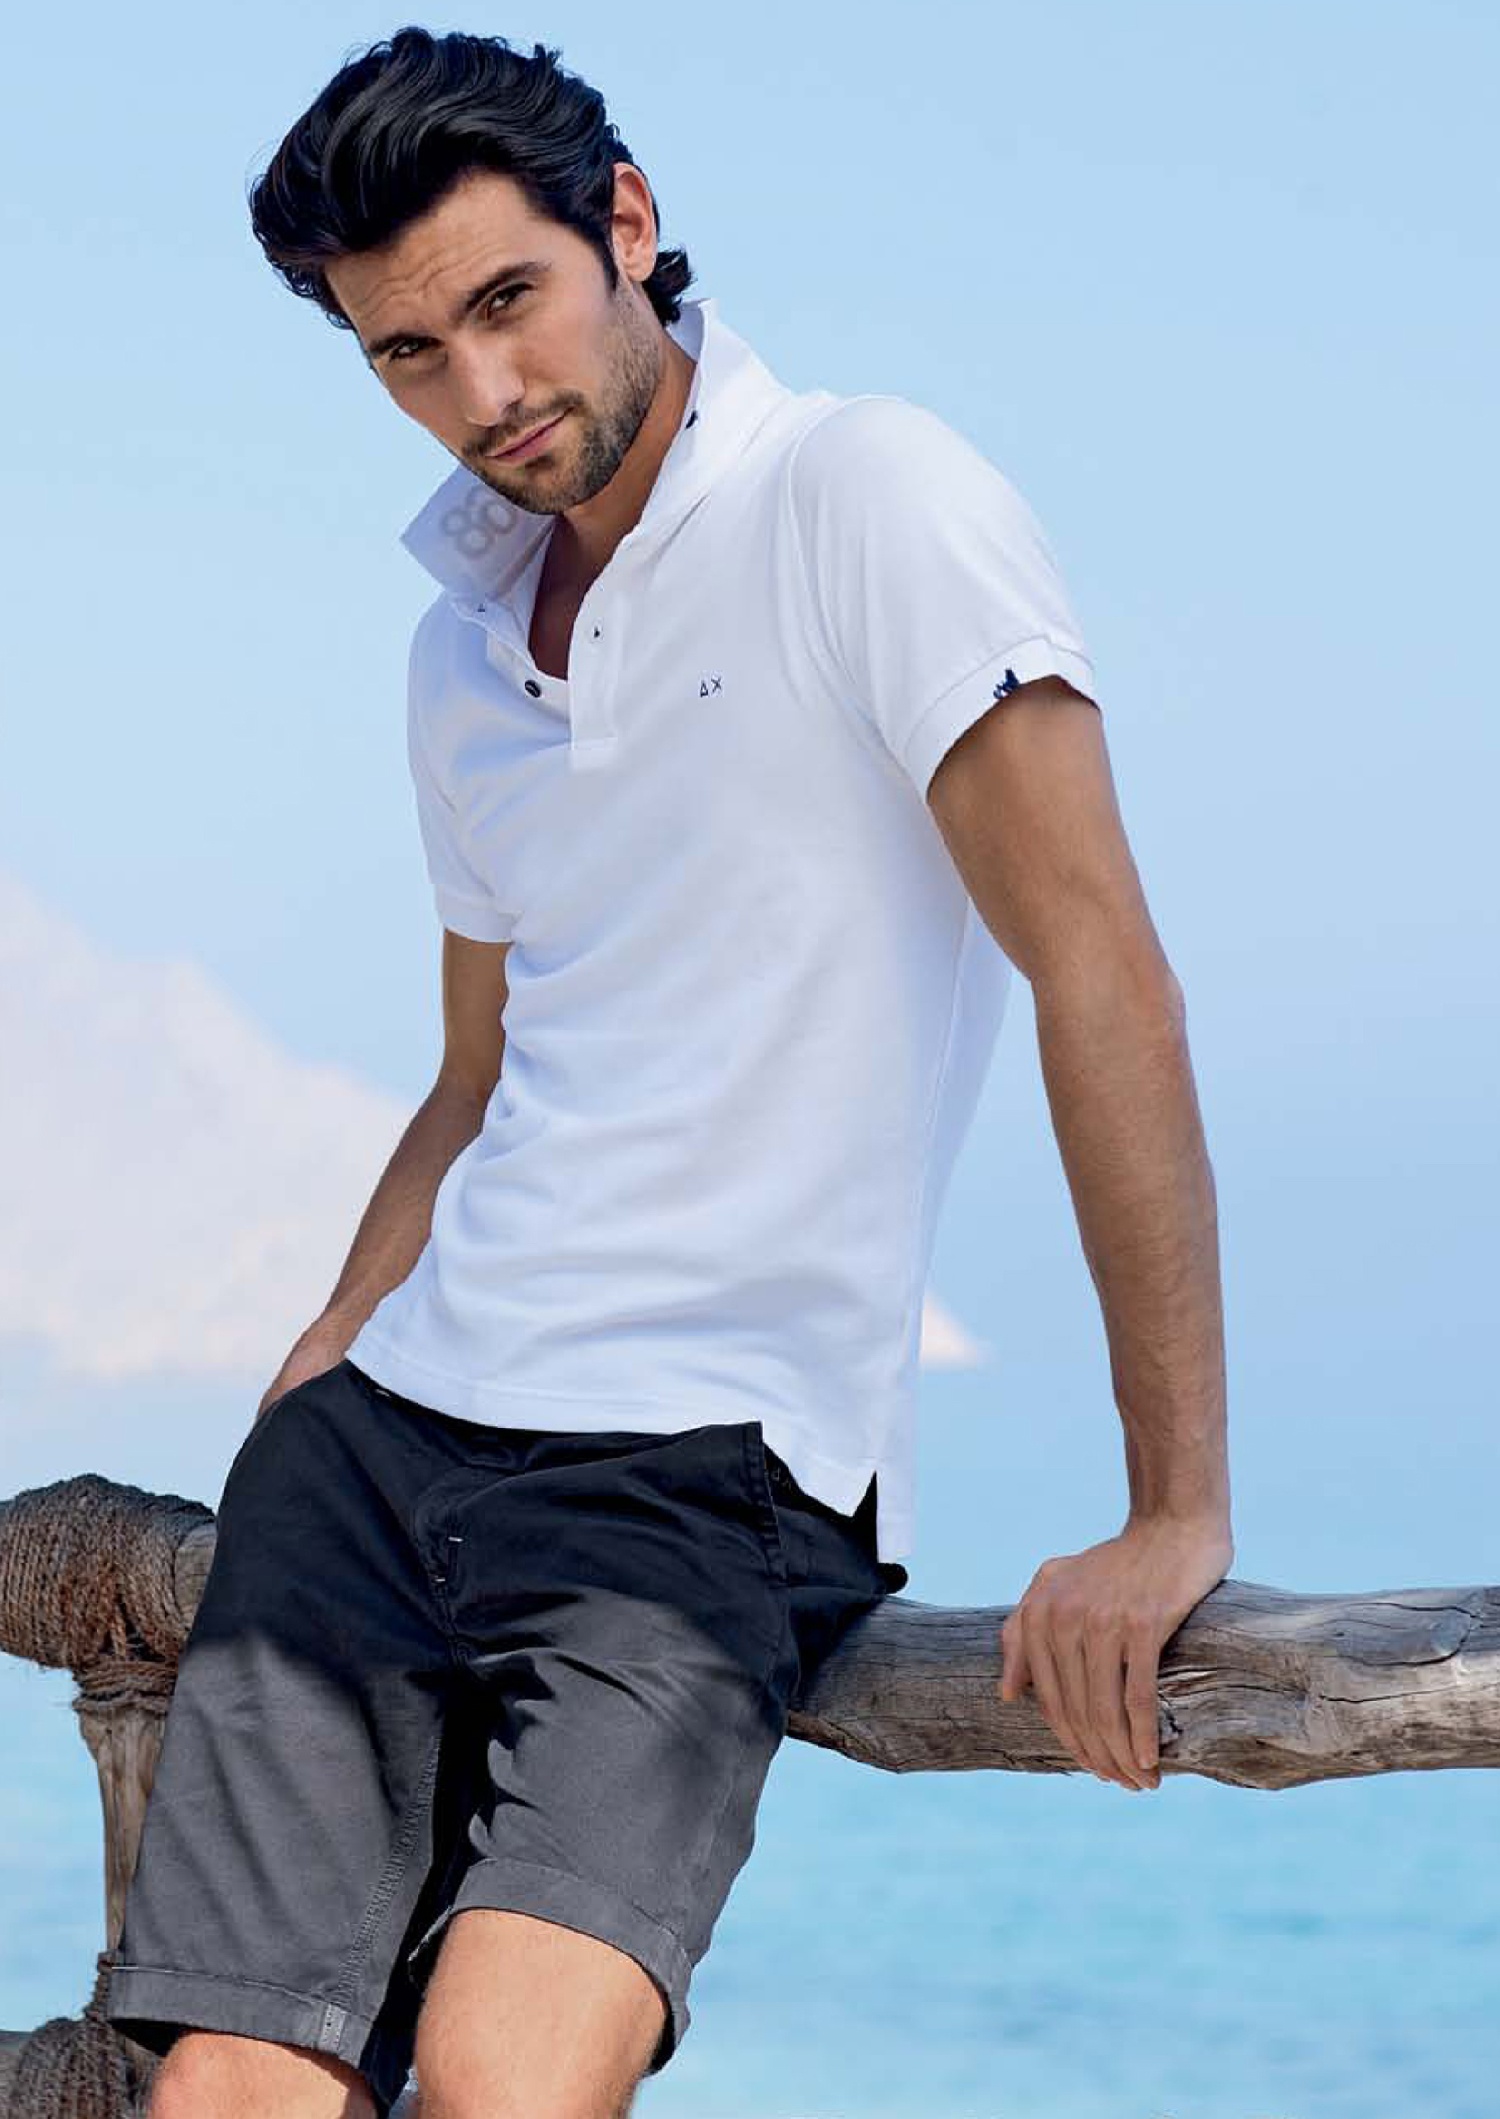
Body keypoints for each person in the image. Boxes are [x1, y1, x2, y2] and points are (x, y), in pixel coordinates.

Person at [105, 24, 1233, 2119]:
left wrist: (1173, 1509)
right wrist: (329, 1349)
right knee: (225, 2096)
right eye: (407, 354)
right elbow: (477, 1074)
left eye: (507, 301)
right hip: (382, 1449)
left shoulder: (866, 497)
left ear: (625, 222)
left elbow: (1105, 978)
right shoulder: (457, 647)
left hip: (705, 1474)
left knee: (505, 2085)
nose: (480, 393)